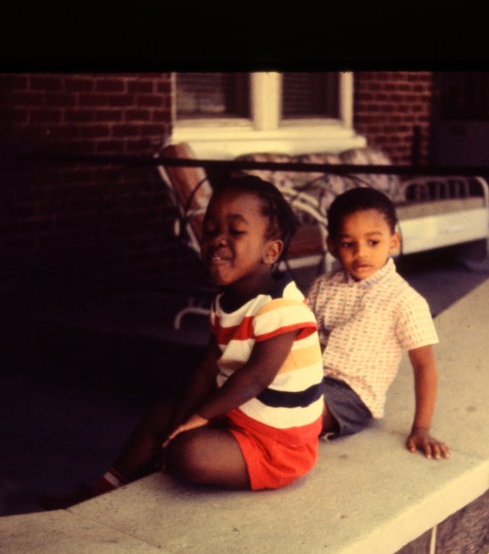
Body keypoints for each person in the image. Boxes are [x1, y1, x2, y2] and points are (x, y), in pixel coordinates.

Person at [40, 175, 325, 509]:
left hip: (277, 446)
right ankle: (101, 490)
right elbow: (208, 367)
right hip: (239, 417)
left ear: (271, 251)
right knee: (163, 416)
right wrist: (181, 421)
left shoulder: (282, 307)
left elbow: (256, 378)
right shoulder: (226, 302)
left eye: (235, 231)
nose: (217, 240)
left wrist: (199, 417)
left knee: (188, 454)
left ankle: (160, 462)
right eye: (210, 230)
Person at [306, 186, 449, 459]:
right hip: (305, 376)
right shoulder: (323, 286)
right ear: (332, 246)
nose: (361, 253)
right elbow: (298, 334)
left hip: (350, 397)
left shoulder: (404, 300)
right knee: (264, 395)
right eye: (348, 244)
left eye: (373, 242)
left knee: (294, 411)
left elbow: (424, 365)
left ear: (393, 242)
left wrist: (421, 428)